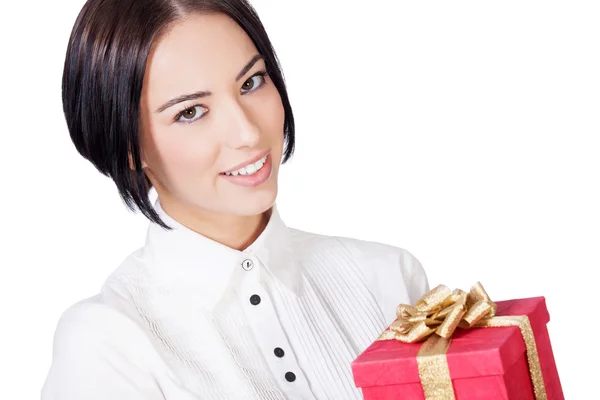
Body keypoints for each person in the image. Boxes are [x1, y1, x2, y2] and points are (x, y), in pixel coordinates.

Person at [41, 0, 429, 399]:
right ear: (127, 145)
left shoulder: (389, 280)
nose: (247, 132)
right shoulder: (105, 344)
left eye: (251, 82)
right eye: (191, 111)